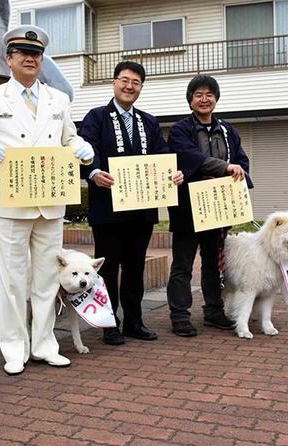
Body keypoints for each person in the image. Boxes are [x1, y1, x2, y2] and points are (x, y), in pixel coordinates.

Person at [0, 25, 94, 375]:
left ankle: (44, 344)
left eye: (35, 54)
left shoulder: (58, 99)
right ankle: (14, 348)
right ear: (9, 58)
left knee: (47, 278)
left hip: (50, 200)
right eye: (22, 53)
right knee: (12, 279)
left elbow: (71, 139)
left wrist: (82, 149)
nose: (30, 59)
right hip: (12, 200)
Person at [79, 61, 184, 345]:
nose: (129, 86)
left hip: (142, 210)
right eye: (124, 80)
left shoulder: (149, 121)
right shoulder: (96, 117)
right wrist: (92, 172)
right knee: (108, 268)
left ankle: (134, 321)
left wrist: (173, 173)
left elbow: (162, 154)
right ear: (114, 82)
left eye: (135, 82)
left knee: (136, 267)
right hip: (108, 209)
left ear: (141, 88)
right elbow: (85, 152)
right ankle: (108, 323)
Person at [166, 74, 253, 337]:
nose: (204, 99)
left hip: (219, 206)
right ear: (190, 100)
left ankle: (214, 311)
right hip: (188, 207)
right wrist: (226, 168)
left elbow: (242, 161)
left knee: (213, 261)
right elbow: (193, 158)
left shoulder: (228, 130)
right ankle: (180, 315)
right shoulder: (181, 129)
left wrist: (239, 175)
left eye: (209, 95)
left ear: (216, 98)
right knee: (182, 263)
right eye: (198, 95)